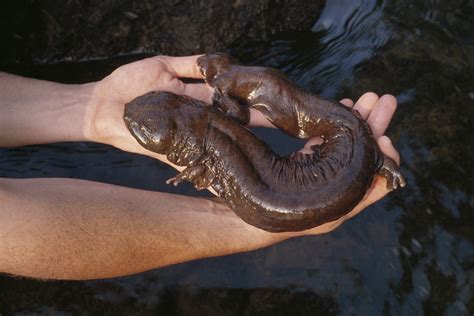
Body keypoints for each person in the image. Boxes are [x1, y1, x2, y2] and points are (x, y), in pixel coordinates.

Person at [0, 55, 401, 280]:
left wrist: (88, 105)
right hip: (340, 158)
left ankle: (366, 160)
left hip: (340, 160)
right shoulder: (216, 121)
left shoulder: (211, 139)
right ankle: (368, 160)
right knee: (350, 140)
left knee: (347, 143)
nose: (131, 118)